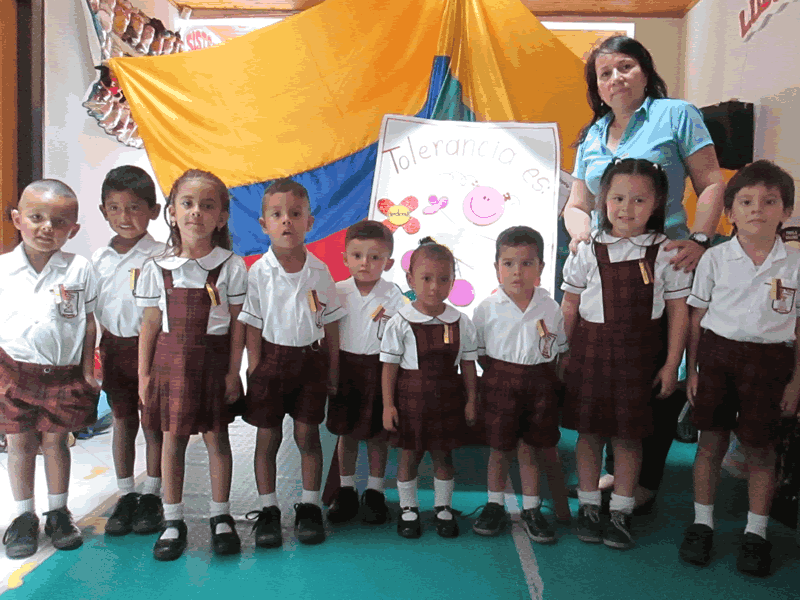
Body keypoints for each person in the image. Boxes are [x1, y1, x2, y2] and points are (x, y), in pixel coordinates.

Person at [562, 35, 725, 510]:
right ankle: (615, 475)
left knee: (657, 368)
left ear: (646, 71)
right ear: (597, 86)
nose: (616, 78)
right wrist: (578, 235)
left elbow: (712, 183)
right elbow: (577, 205)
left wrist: (699, 240)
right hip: (603, 262)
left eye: (626, 67)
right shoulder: (592, 135)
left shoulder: (677, 114)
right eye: (604, 73)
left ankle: (644, 481)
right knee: (607, 367)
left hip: (664, 260)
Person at [561, 158, 691, 550]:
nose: (626, 208)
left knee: (629, 439)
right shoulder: (586, 249)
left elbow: (679, 312)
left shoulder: (667, 253)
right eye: (617, 198)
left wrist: (672, 364)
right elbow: (569, 305)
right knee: (589, 435)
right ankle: (587, 507)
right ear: (602, 201)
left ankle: (620, 512)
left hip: (640, 360)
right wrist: (560, 355)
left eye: (638, 200)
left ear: (657, 205)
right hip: (589, 354)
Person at [679, 161, 800, 577]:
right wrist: (692, 371)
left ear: (786, 211)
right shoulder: (715, 259)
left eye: (770, 202)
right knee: (710, 443)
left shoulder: (795, 265)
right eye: (746, 201)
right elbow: (696, 320)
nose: (757, 210)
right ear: (730, 211)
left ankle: (756, 533)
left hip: (771, 364)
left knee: (761, 450)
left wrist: (797, 381)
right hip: (717, 357)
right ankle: (702, 523)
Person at [137, 169, 247, 561]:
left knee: (218, 439)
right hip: (169, 362)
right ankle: (172, 519)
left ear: (221, 218)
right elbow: (150, 323)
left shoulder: (232, 265)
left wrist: (235, 371)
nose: (196, 212)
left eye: (207, 205)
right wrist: (144, 375)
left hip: (213, 362)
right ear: (171, 212)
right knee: (172, 440)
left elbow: (238, 324)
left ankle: (220, 516)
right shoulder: (157, 267)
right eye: (187, 203)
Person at [240, 179, 343, 548]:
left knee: (307, 436)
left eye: (295, 214)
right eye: (278, 215)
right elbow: (251, 323)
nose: (287, 222)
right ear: (264, 223)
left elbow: (331, 322)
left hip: (311, 363)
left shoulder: (320, 271)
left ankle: (310, 505)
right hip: (271, 361)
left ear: (309, 222)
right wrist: (255, 368)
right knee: (267, 437)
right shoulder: (259, 273)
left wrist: (333, 369)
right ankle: (269, 510)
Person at [1, 180, 101, 559]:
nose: (47, 227)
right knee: (20, 444)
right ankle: (23, 516)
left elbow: (88, 322)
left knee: (56, 441)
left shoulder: (79, 268)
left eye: (59, 222)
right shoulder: (4, 269)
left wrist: (88, 368)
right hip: (12, 370)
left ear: (73, 230)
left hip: (63, 373)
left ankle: (58, 512)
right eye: (36, 217)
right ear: (17, 219)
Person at [471, 226, 570, 542]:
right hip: (500, 381)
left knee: (530, 449)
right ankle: (494, 504)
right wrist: (505, 375)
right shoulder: (486, 309)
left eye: (527, 263)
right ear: (497, 267)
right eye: (509, 263)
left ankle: (531, 508)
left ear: (541, 268)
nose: (517, 272)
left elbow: (557, 350)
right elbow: (481, 354)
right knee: (499, 449)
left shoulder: (550, 306)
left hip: (540, 383)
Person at [381, 238, 479, 539]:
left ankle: (443, 508)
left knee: (443, 456)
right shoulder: (399, 321)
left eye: (443, 279)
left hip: (449, 397)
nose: (435, 287)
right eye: (426, 278)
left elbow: (469, 365)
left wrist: (472, 400)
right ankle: (408, 509)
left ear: (453, 282)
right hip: (411, 398)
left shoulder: (461, 321)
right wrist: (388, 405)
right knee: (409, 455)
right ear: (410, 279)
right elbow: (389, 367)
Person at [91, 166, 165, 536]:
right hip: (115, 349)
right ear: (103, 211)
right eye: (115, 208)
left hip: (153, 351)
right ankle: (126, 493)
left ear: (153, 211)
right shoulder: (97, 260)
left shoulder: (163, 255)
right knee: (122, 422)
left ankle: (152, 492)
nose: (124, 217)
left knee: (153, 424)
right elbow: (91, 315)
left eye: (134, 207)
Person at [325, 220, 405, 525]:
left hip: (378, 368)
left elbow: (397, 340)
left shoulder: (393, 295)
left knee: (376, 436)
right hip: (345, 367)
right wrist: (331, 371)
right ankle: (346, 490)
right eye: (357, 256)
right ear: (345, 258)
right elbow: (328, 334)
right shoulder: (337, 291)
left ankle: (374, 492)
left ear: (389, 262)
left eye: (375, 257)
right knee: (346, 434)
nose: (365, 263)